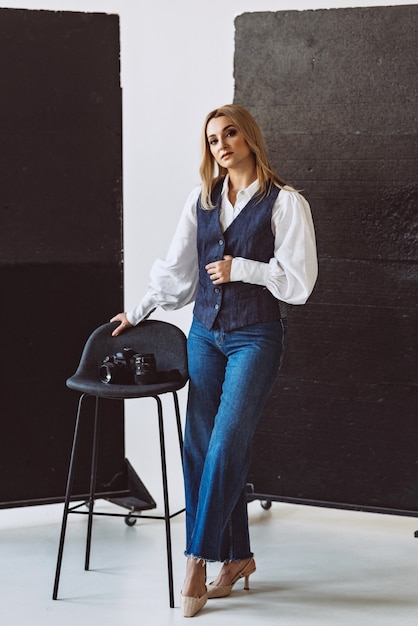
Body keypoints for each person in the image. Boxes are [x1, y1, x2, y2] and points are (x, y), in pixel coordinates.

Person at [111, 104, 318, 617]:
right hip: (204, 333)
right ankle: (239, 558)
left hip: (255, 337)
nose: (220, 145)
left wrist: (242, 268)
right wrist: (137, 311)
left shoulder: (285, 203)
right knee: (199, 445)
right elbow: (177, 268)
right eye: (211, 139)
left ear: (249, 138)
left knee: (227, 441)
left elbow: (299, 283)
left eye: (229, 134)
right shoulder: (200, 200)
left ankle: (197, 561)